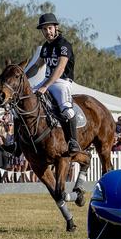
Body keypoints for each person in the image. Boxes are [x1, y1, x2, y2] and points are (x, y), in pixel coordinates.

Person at [24, 13, 80, 153]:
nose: (47, 32)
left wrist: (44, 86)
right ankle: (17, 142)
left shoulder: (64, 45)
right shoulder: (45, 47)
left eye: (49, 28)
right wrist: (23, 77)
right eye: (44, 29)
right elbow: (37, 66)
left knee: (67, 111)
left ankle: (73, 142)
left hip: (61, 82)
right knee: (22, 101)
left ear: (56, 28)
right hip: (46, 80)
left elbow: (60, 68)